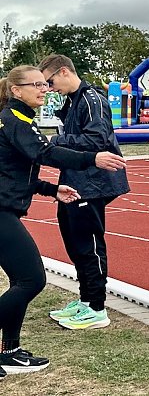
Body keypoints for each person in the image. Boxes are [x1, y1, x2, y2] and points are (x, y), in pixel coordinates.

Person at [0, 66, 126, 377]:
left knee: (22, 280)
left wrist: (51, 189)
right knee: (31, 280)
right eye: (36, 84)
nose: (44, 89)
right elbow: (46, 153)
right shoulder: (15, 121)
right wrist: (92, 158)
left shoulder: (16, 119)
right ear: (16, 90)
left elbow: (13, 173)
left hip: (5, 209)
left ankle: (9, 353)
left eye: (45, 84)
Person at [37, 54, 131, 331]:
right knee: (75, 243)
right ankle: (86, 300)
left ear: (64, 72)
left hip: (93, 182)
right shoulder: (72, 100)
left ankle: (97, 308)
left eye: (50, 82)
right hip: (75, 179)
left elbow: (97, 139)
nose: (49, 88)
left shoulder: (92, 99)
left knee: (89, 246)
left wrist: (55, 140)